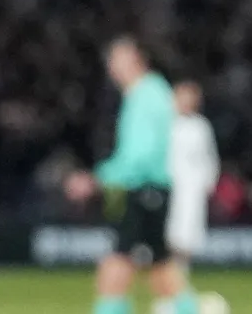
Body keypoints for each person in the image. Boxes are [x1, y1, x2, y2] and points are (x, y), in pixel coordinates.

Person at [63, 38, 197, 314]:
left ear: (135, 60)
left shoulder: (146, 95)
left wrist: (96, 178)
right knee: (160, 268)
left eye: (116, 61)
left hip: (144, 189)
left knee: (116, 265)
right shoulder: (149, 92)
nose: (112, 68)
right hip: (152, 190)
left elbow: (139, 154)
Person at [156, 81, 218, 314]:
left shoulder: (201, 126)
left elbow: (209, 158)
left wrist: (206, 184)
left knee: (186, 244)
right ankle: (167, 297)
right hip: (168, 190)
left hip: (191, 193)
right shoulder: (165, 124)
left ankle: (179, 293)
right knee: (167, 243)